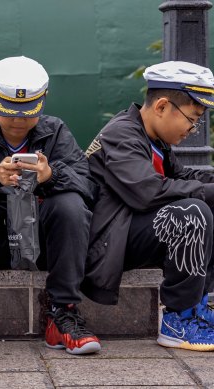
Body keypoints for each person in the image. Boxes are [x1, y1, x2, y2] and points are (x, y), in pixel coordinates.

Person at [0, 56, 100, 365]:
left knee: (70, 203)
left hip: (39, 242)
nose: (18, 120)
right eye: (9, 110)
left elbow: (88, 186)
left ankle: (62, 313)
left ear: (44, 100)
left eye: (28, 112)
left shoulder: (56, 133)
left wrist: (51, 178)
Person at [84, 61, 214, 351]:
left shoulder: (152, 137)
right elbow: (148, 191)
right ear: (162, 106)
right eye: (192, 119)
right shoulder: (121, 134)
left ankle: (197, 309)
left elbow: (183, 176)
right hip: (105, 243)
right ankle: (177, 322)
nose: (193, 128)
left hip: (130, 230)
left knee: (204, 203)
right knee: (192, 213)